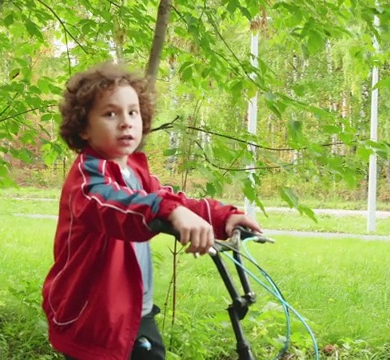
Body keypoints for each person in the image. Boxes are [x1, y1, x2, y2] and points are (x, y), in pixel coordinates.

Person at [41, 61, 262, 360]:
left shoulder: (133, 170)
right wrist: (167, 211)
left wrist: (224, 217)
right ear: (82, 128)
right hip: (93, 318)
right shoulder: (87, 177)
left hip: (135, 313)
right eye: (110, 114)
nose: (125, 122)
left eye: (133, 112)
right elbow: (117, 206)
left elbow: (167, 198)